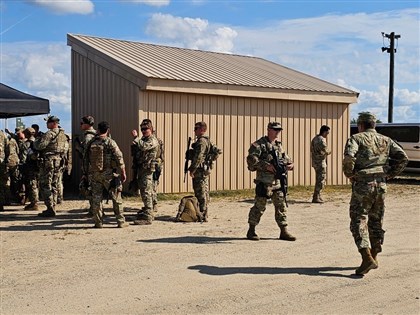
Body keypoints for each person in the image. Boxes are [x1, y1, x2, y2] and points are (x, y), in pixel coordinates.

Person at [343, 112, 408, 275]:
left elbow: (349, 157)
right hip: (381, 185)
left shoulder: (356, 138)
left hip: (363, 184)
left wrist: (349, 174)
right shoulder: (385, 140)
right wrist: (390, 174)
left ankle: (366, 257)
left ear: (360, 125)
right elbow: (403, 157)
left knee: (359, 219)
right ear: (374, 125)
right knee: (376, 219)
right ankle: (375, 255)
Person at [246, 121, 296, 241]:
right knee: (259, 206)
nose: (278, 132)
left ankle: (283, 230)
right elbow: (251, 160)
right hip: (264, 182)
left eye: (279, 130)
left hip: (277, 182)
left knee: (281, 206)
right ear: (269, 130)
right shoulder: (259, 145)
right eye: (275, 129)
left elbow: (286, 158)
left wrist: (290, 165)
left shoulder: (279, 145)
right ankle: (251, 230)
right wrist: (265, 166)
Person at [83, 121, 127, 228]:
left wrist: (85, 173)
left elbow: (85, 159)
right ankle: (121, 221)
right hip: (109, 175)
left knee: (96, 199)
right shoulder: (110, 142)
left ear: (97, 130)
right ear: (108, 130)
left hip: (95, 175)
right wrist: (123, 172)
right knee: (116, 198)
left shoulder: (91, 143)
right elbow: (119, 157)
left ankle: (98, 222)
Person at [33, 116, 68, 217]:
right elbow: (65, 149)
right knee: (54, 184)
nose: (46, 124)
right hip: (59, 161)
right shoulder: (63, 135)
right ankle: (54, 205)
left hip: (48, 162)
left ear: (53, 123)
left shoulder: (49, 134)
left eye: (48, 122)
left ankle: (50, 208)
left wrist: (36, 141)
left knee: (45, 184)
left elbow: (39, 146)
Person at [132, 119, 159, 225]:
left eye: (145, 129)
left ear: (151, 129)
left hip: (147, 170)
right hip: (142, 169)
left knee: (147, 191)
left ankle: (148, 216)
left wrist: (135, 138)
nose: (143, 131)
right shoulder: (144, 139)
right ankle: (147, 211)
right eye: (142, 129)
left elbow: (143, 146)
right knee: (144, 190)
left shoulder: (152, 140)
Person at [188, 121, 216, 222]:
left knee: (200, 191)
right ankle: (203, 212)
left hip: (200, 170)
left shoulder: (201, 142)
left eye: (196, 128)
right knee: (203, 190)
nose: (194, 130)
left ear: (202, 130)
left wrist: (192, 169)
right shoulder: (203, 141)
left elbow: (198, 157)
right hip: (202, 170)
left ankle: (202, 213)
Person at [74, 115, 97, 215]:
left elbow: (87, 153)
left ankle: (94, 210)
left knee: (90, 188)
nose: (80, 125)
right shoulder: (97, 134)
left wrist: (78, 147)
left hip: (90, 166)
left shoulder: (88, 137)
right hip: (98, 166)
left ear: (87, 124)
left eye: (81, 123)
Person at [311, 125, 331, 203]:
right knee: (321, 180)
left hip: (315, 161)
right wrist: (329, 151)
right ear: (324, 132)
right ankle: (316, 197)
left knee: (318, 179)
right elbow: (326, 150)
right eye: (327, 133)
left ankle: (317, 196)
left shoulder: (314, 138)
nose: (327, 135)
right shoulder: (321, 140)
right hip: (320, 162)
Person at [21, 127, 40, 211]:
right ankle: (34, 201)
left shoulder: (28, 143)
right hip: (37, 166)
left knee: (32, 184)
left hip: (30, 166)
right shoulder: (37, 141)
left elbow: (24, 156)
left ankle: (34, 203)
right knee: (35, 184)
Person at [0, 130, 18, 211]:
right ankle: (4, 201)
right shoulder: (3, 134)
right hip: (2, 161)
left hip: (2, 161)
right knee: (4, 182)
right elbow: (8, 149)